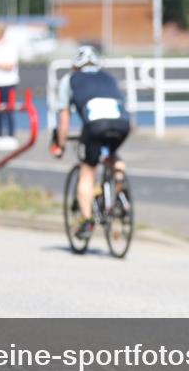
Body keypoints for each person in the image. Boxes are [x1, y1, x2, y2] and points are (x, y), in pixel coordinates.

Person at [50, 46, 131, 240]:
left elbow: (64, 120)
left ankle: (86, 222)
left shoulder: (70, 79)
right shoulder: (109, 77)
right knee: (112, 156)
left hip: (95, 125)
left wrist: (60, 145)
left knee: (87, 171)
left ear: (75, 66)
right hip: (122, 124)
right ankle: (119, 193)